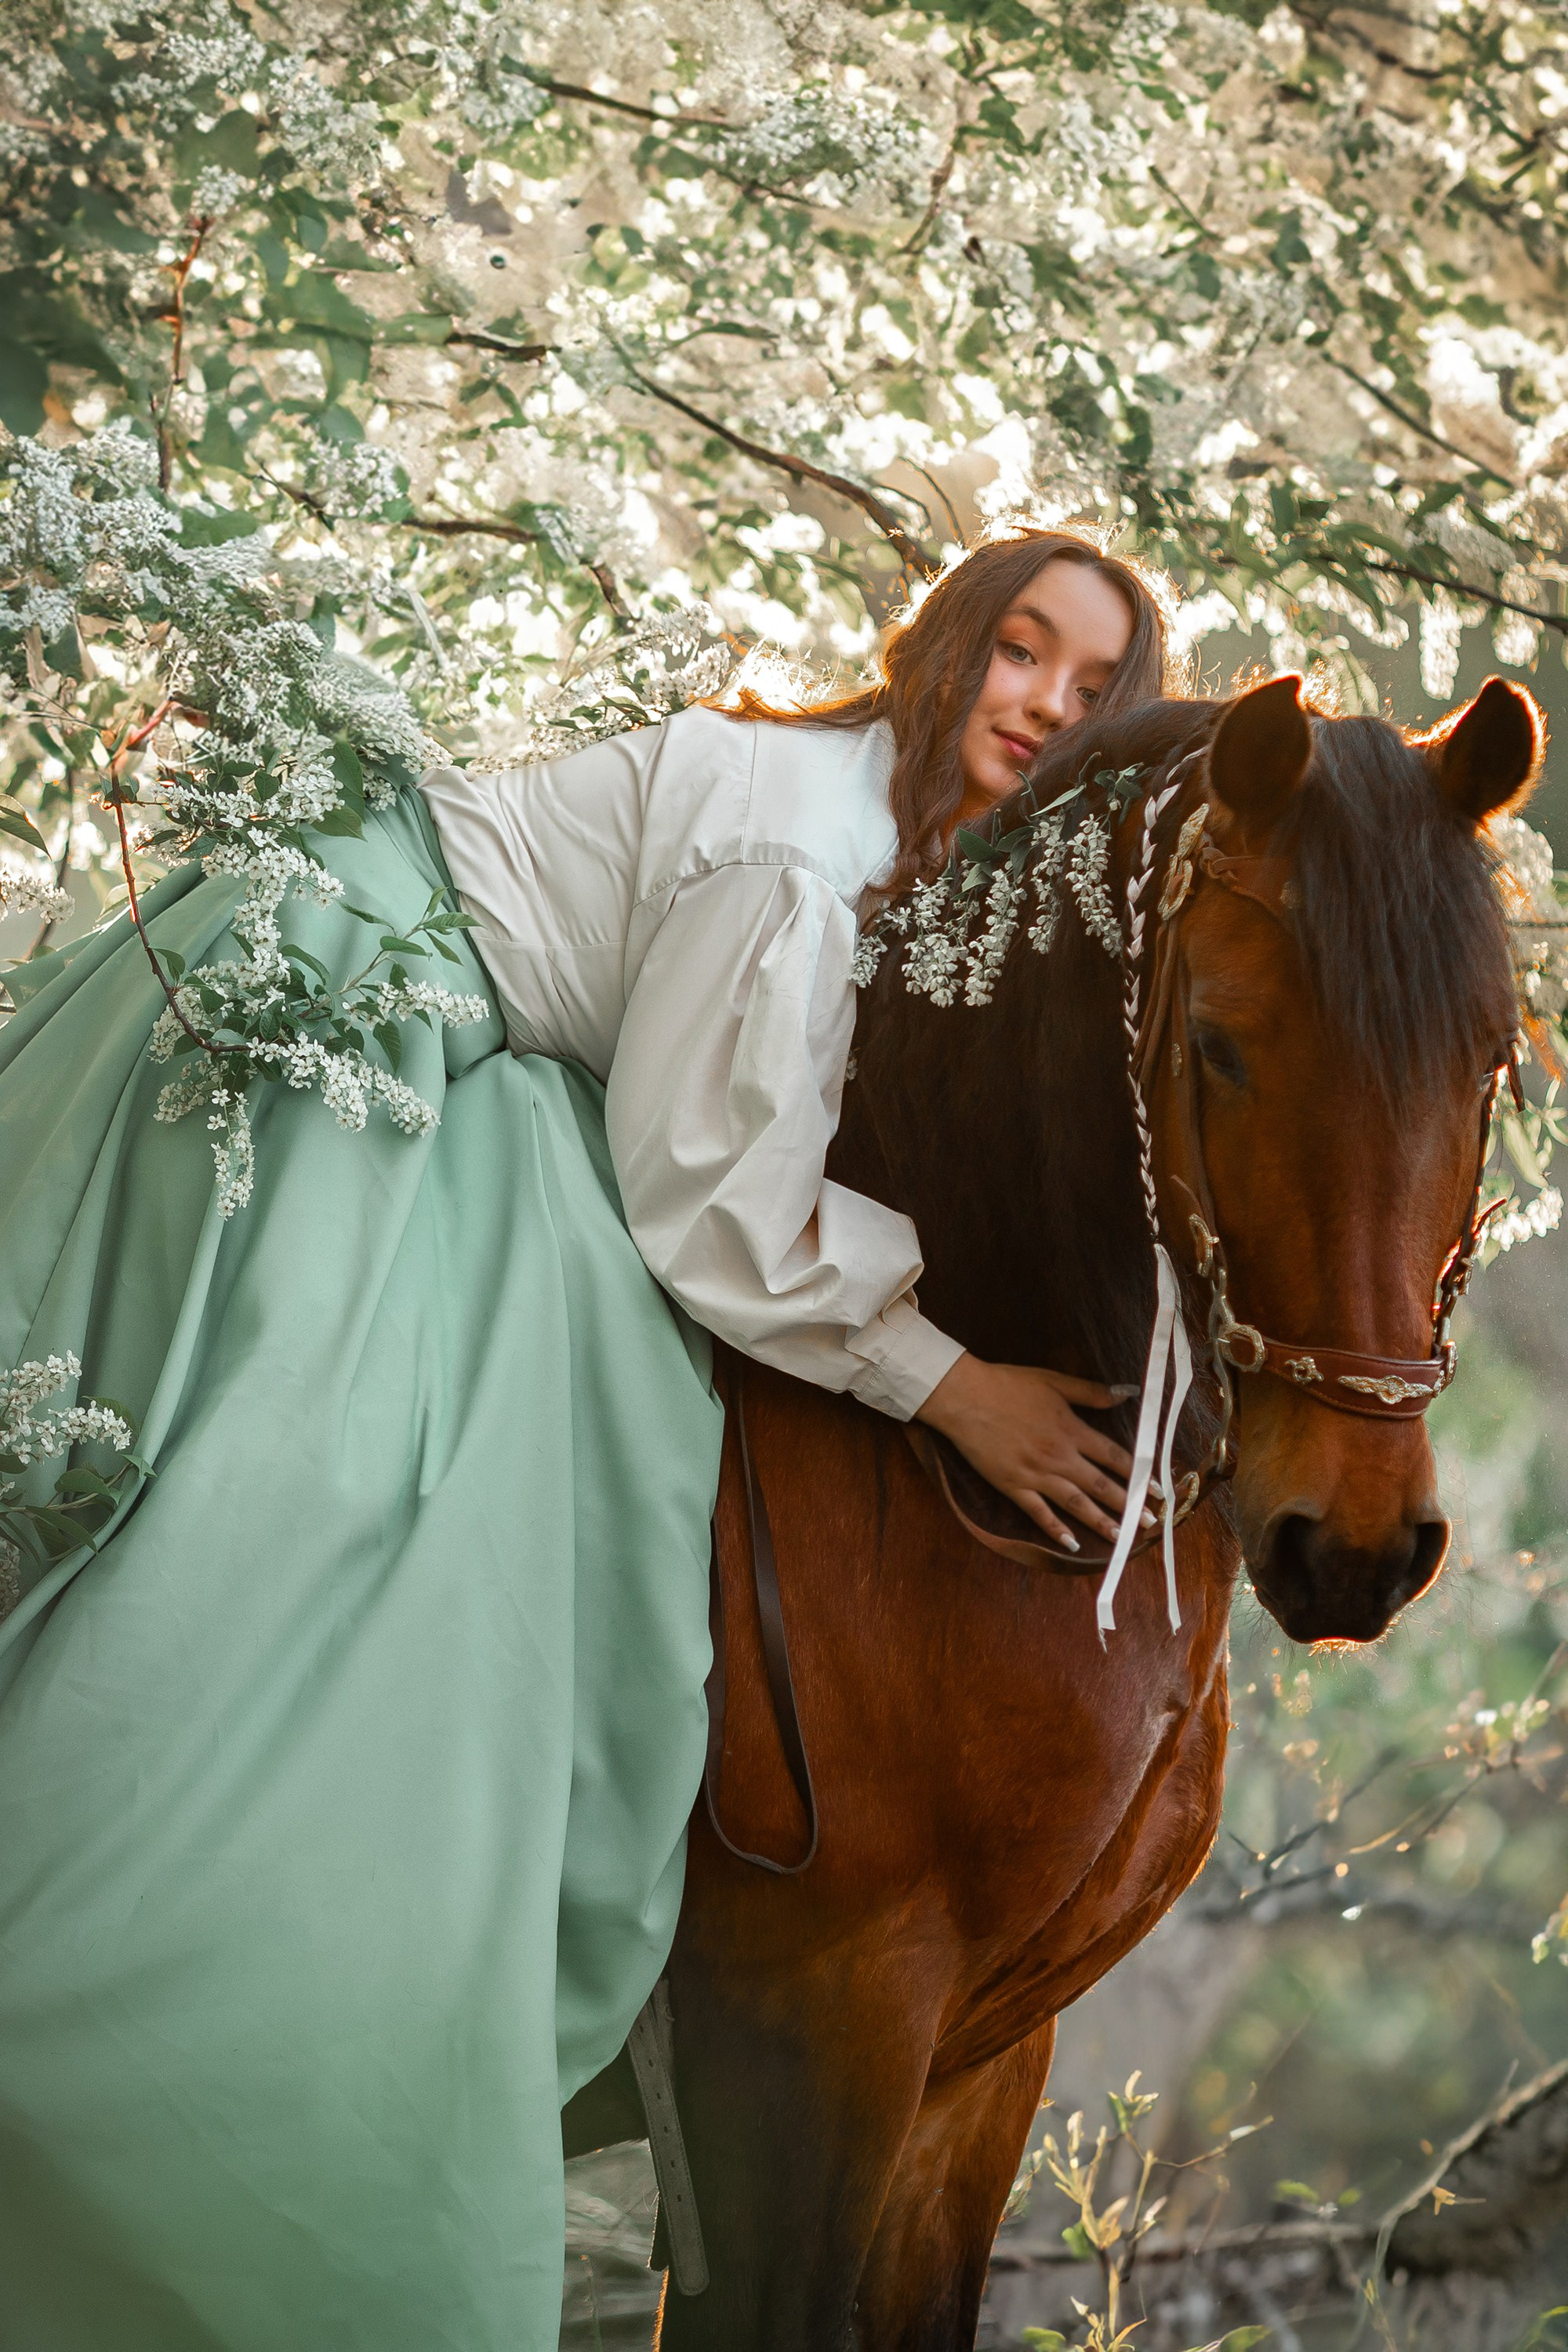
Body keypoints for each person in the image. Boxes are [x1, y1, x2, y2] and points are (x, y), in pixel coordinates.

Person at [0, 526, 1169, 2352]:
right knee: (311, 1482)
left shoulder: (902, 844)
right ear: (946, 644)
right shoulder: (807, 840)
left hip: (469, 1040)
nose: (1043, 705)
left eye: (1094, 691)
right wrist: (948, 1380)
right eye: (1021, 651)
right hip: (356, 1007)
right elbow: (710, 1198)